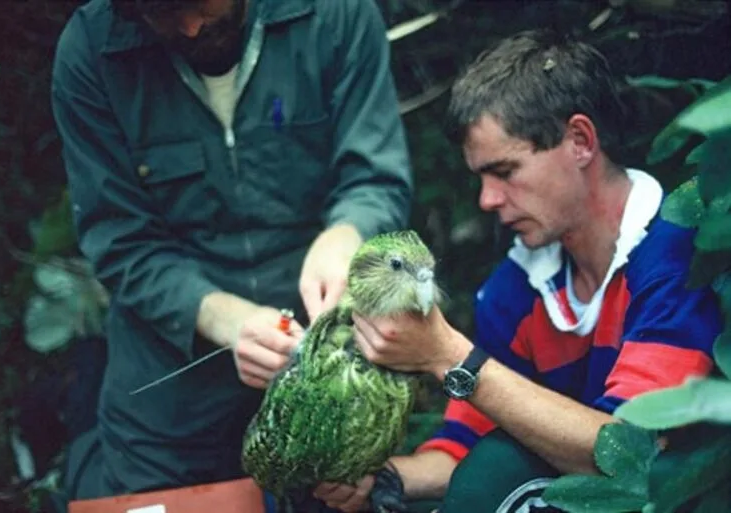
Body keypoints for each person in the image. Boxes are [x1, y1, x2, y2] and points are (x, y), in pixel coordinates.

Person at [314, 28, 721, 513]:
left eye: (504, 172)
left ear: (580, 141)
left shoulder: (678, 254)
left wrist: (450, 356)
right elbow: (461, 447)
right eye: (480, 178)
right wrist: (380, 477)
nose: (487, 200)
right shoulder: (514, 289)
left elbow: (630, 457)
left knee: (498, 472)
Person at [50, 0, 413, 503]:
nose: (191, 26)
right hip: (169, 400)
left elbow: (376, 177)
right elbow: (120, 239)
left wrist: (346, 236)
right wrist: (224, 320)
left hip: (326, 376)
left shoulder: (336, 15)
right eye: (158, 15)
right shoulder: (92, 51)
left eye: (198, 5)